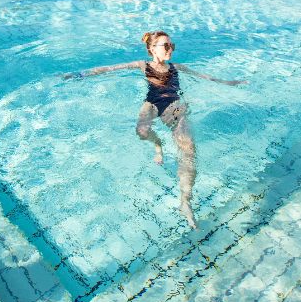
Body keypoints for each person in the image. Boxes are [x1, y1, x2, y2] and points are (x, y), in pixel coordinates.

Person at [63, 30, 246, 229]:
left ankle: (185, 201)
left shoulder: (176, 67)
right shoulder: (143, 65)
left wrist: (229, 83)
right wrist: (80, 75)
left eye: (171, 46)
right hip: (151, 103)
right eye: (165, 46)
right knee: (141, 132)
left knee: (188, 150)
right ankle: (158, 144)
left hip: (173, 106)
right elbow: (110, 68)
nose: (170, 50)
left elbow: (205, 77)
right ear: (152, 49)